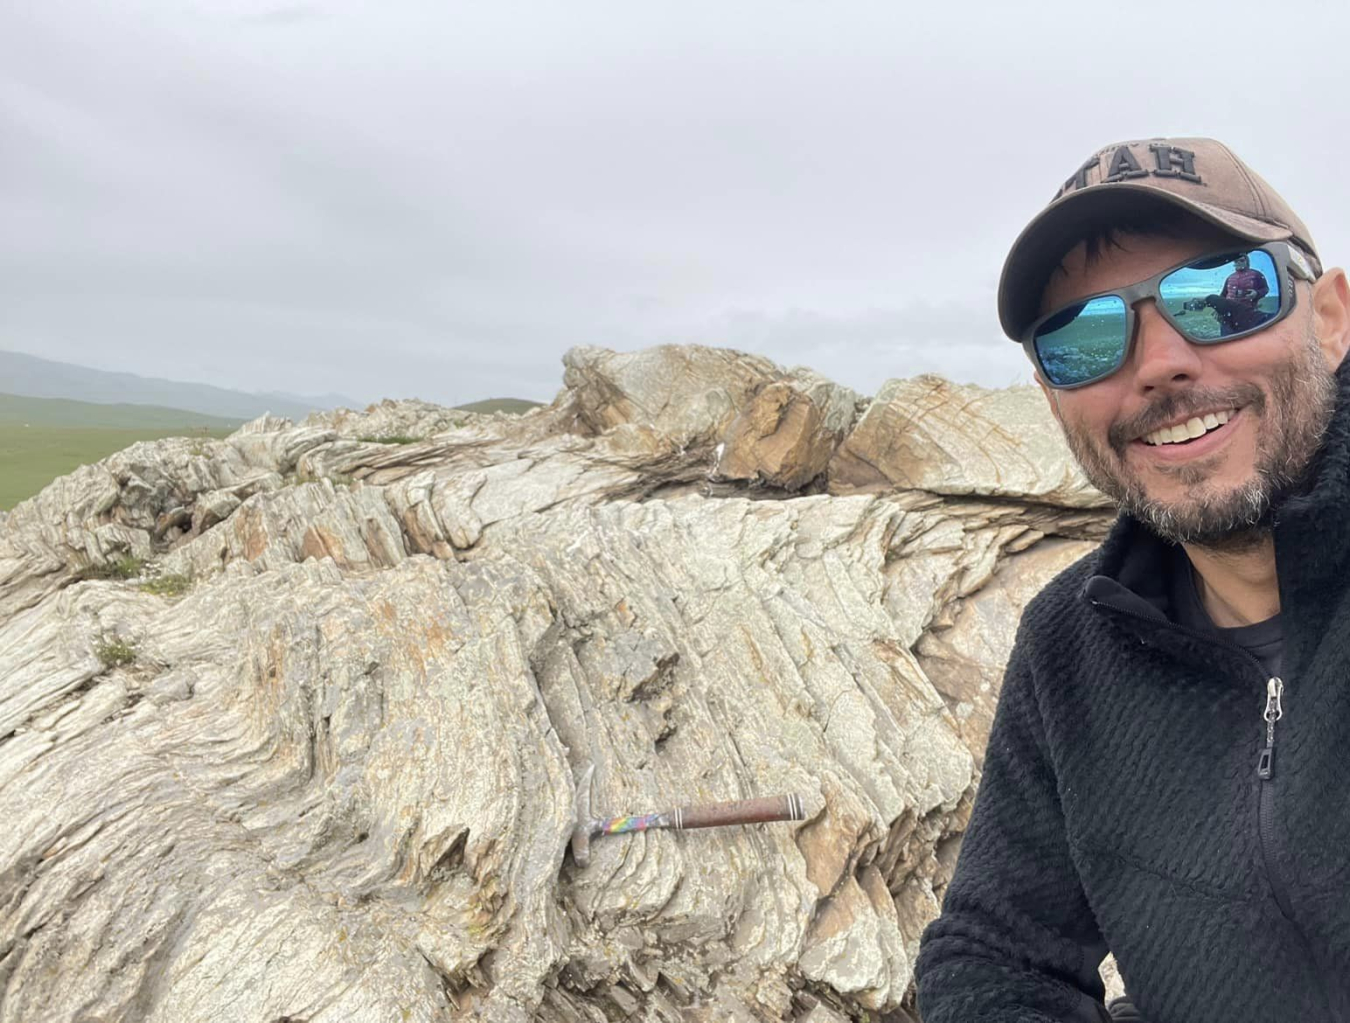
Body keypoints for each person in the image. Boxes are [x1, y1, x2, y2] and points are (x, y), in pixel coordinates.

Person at [914, 136, 1350, 1023]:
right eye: (1083, 338)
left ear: (1333, 318)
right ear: (1050, 396)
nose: (1158, 366)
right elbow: (991, 952)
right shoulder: (1070, 643)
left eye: (1224, 295)